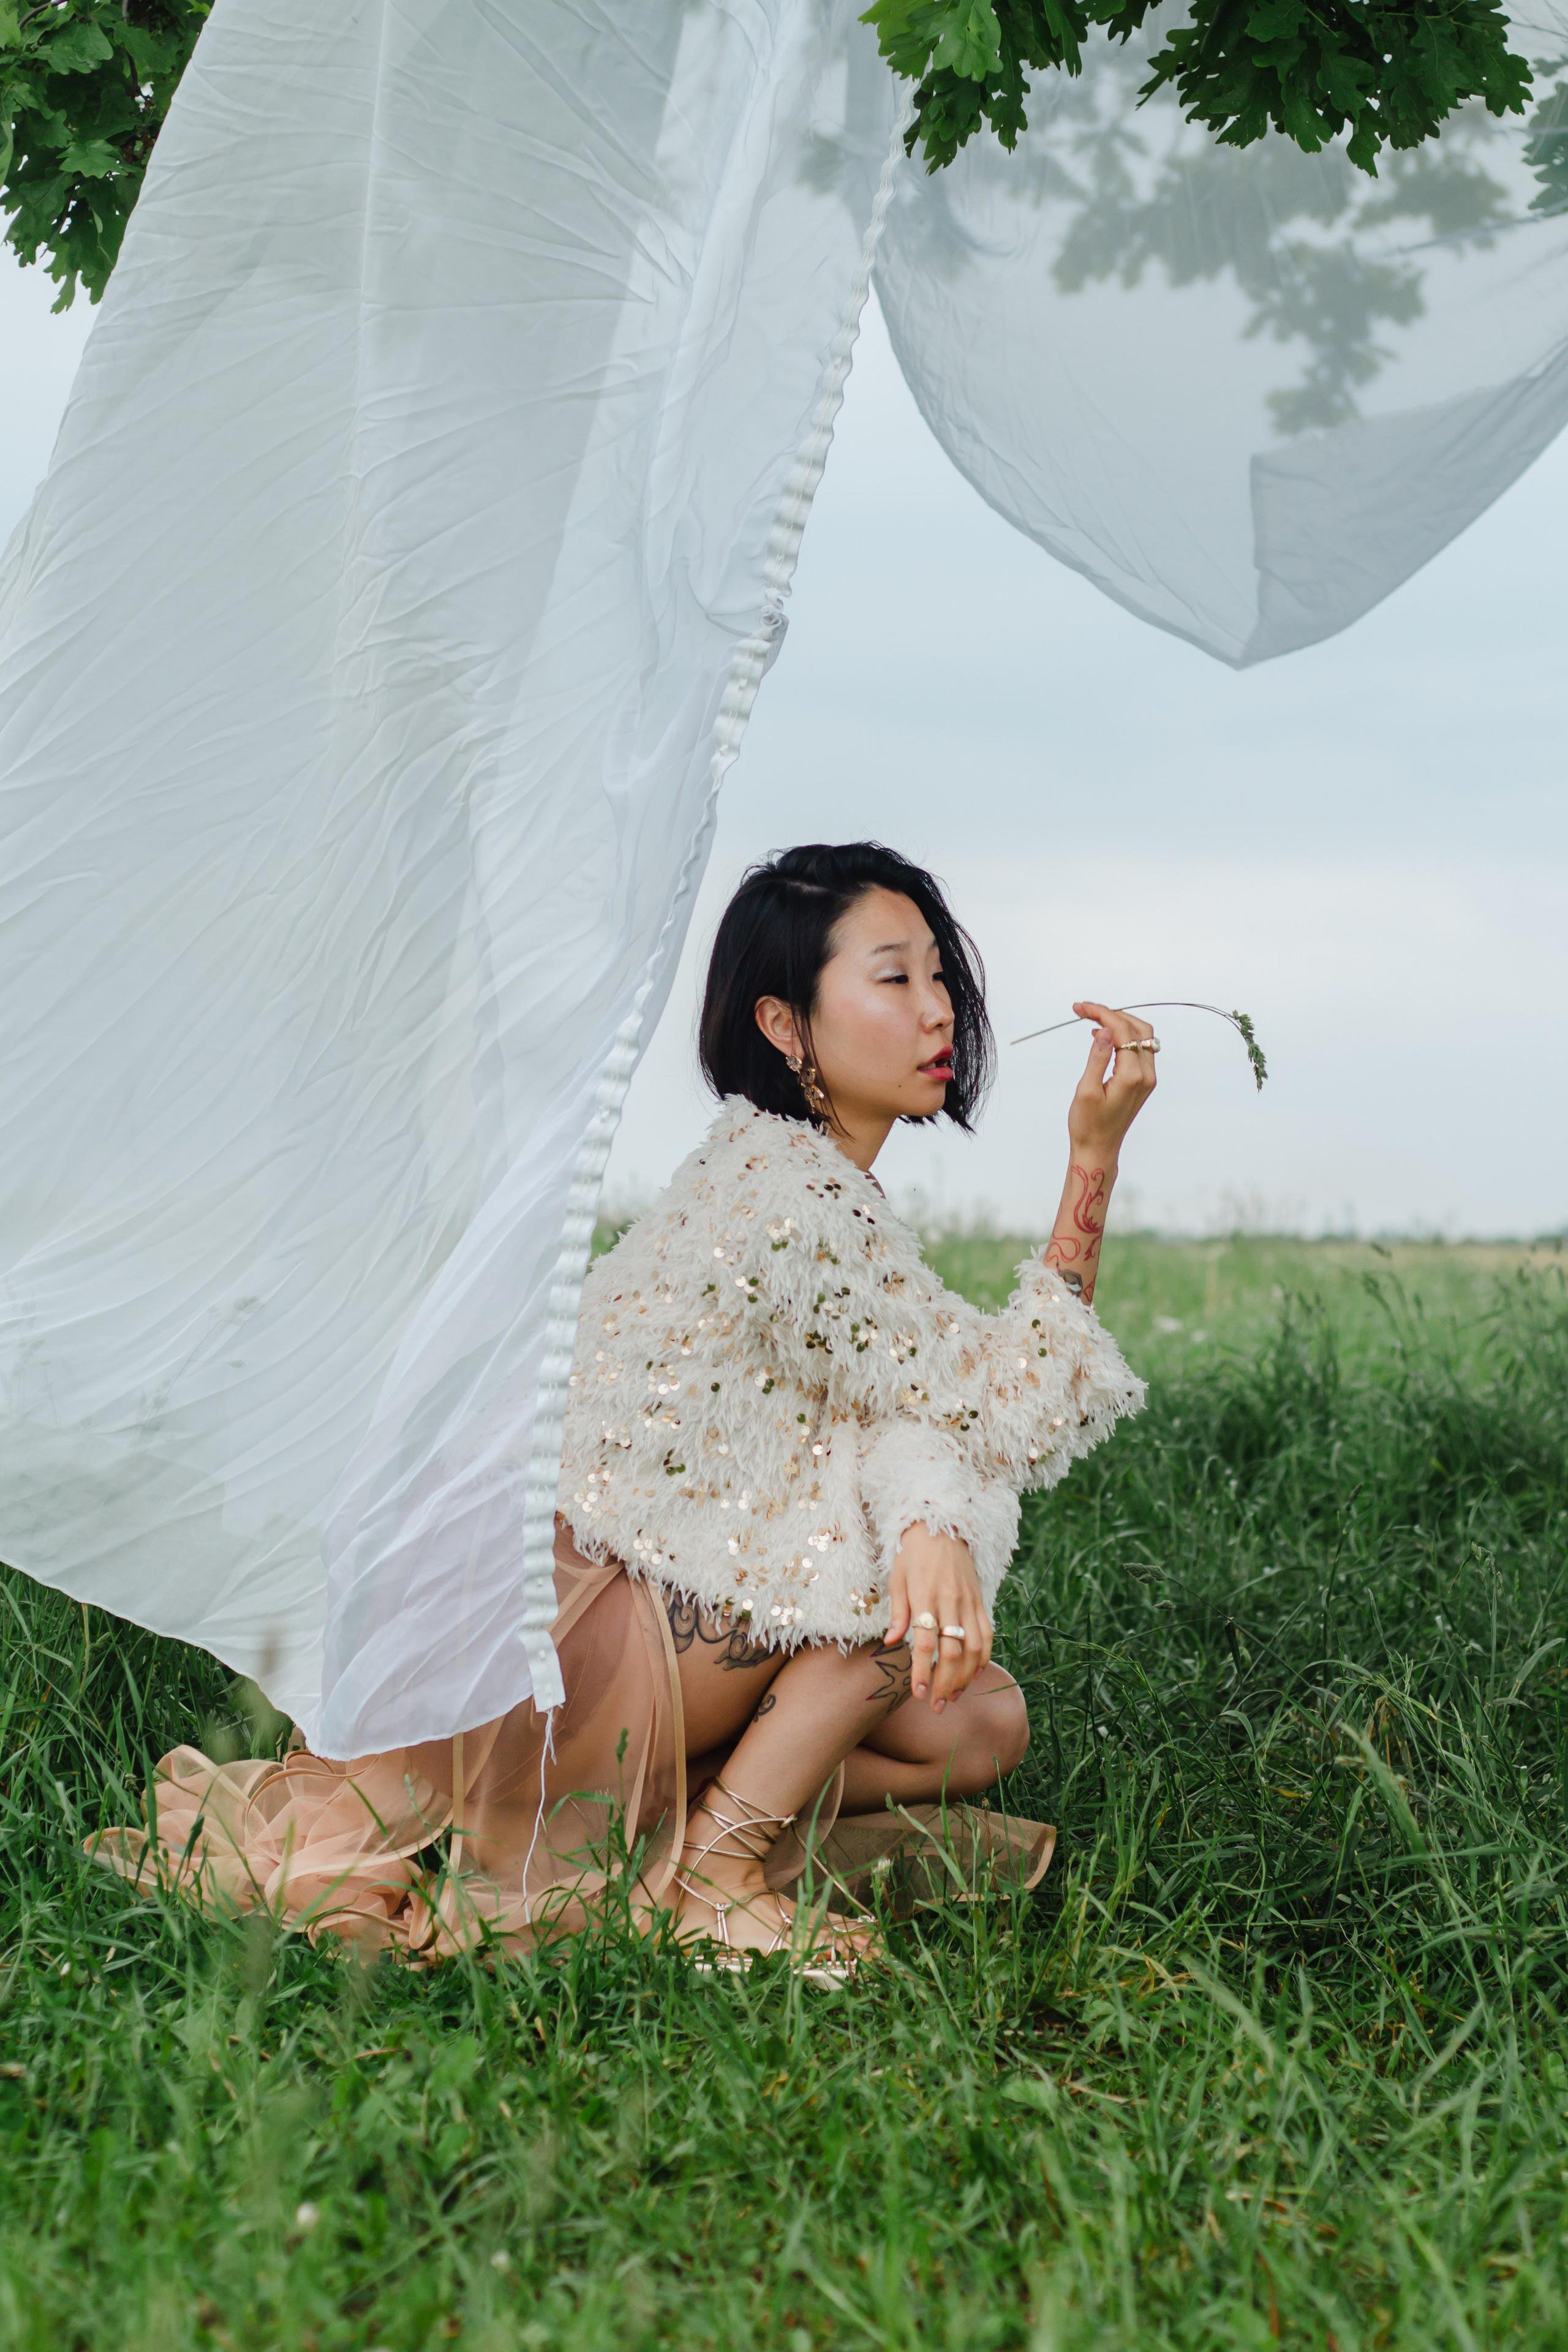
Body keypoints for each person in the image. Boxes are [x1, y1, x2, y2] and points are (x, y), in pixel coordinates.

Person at [94, 842, 1155, 1973]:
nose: (940, 1010)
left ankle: (671, 1810)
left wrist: (932, 1515)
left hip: (558, 1633)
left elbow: (895, 1407)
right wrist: (1093, 1160)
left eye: (941, 975)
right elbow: (1013, 1409)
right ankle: (718, 1868)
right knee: (889, 1600)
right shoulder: (791, 1202)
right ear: (786, 1026)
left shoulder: (777, 1173)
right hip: (563, 1641)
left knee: (982, 1722)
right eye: (894, 978)